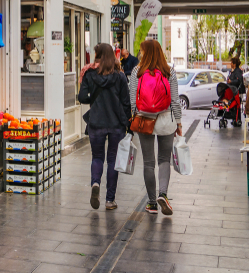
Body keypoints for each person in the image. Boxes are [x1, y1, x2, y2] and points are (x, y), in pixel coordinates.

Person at [129, 40, 182, 216]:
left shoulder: (137, 71)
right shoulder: (169, 71)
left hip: (145, 119)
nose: (140, 54)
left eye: (142, 51)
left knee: (148, 162)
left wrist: (134, 119)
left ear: (146, 52)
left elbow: (132, 101)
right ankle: (163, 194)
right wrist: (179, 122)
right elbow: (175, 100)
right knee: (164, 160)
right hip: (167, 120)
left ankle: (152, 203)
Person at [78, 43, 131, 211]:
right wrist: (128, 122)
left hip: (96, 122)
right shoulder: (120, 76)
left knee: (97, 157)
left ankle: (95, 183)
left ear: (98, 56)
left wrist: (93, 96)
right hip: (116, 124)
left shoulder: (90, 75)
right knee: (113, 160)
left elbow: (82, 98)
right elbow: (126, 102)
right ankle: (110, 200)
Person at [226, 56, 246, 126]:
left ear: (234, 64)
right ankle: (235, 118)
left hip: (237, 91)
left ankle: (238, 119)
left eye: (231, 63)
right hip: (232, 90)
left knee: (237, 105)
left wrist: (231, 81)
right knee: (234, 105)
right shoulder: (232, 71)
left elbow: (239, 80)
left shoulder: (238, 71)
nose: (230, 64)